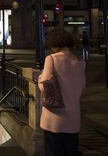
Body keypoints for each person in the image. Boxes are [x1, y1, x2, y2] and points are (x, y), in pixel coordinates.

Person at [38, 28, 86, 156]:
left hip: (55, 120)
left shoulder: (52, 59)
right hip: (73, 120)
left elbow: (45, 86)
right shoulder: (80, 62)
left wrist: (40, 78)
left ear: (54, 44)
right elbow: (81, 87)